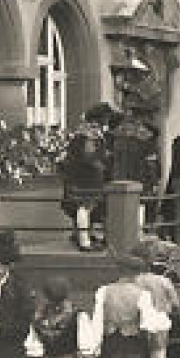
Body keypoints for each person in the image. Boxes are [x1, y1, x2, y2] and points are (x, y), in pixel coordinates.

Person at [60, 103, 113, 252]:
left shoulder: (83, 133)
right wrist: (102, 165)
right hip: (86, 178)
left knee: (84, 208)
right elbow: (89, 157)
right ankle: (85, 242)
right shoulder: (90, 135)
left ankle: (83, 236)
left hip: (78, 177)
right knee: (85, 207)